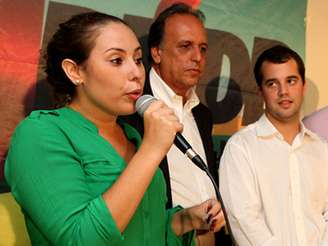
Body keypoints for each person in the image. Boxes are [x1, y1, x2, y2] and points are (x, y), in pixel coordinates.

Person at [4, 12, 225, 245]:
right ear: (75, 71)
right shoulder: (39, 134)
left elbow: (144, 227)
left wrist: (184, 220)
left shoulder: (132, 136)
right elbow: (80, 238)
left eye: (138, 60)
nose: (137, 73)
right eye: (117, 60)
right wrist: (151, 150)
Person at [122, 3, 227, 245]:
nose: (197, 57)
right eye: (185, 46)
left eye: (202, 48)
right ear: (156, 52)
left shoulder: (202, 114)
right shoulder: (130, 108)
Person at [219, 45, 328, 245]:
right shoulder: (240, 148)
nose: (283, 91)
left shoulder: (321, 149)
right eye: (272, 84)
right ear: (260, 92)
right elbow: (244, 220)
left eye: (291, 81)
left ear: (303, 87)